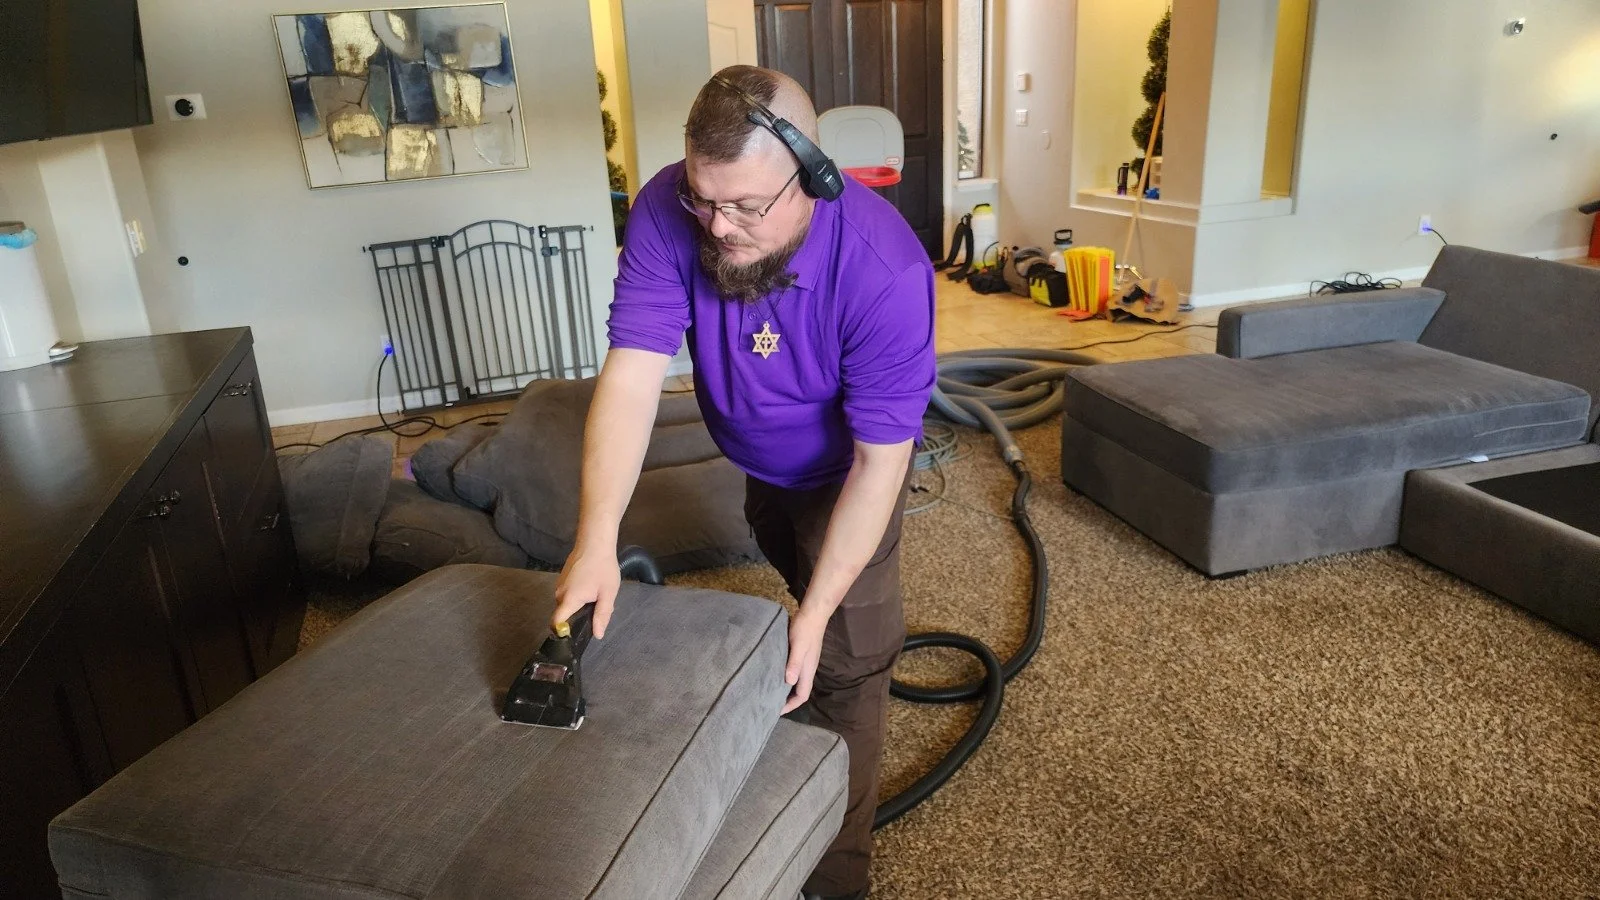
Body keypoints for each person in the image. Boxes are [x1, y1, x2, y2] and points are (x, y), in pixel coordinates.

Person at [550, 64, 936, 900]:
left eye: (746, 207)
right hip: (761, 468)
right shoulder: (666, 209)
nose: (719, 228)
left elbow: (880, 464)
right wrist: (596, 542)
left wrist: (821, 613)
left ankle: (835, 879)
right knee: (792, 569)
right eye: (704, 199)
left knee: (846, 660)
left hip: (846, 476)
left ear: (816, 180)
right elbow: (630, 378)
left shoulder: (885, 273)